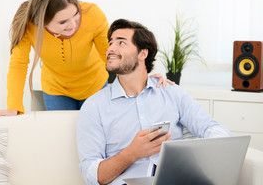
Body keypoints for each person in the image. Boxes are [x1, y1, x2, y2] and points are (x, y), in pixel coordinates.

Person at [0, 0, 171, 116]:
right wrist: (13, 107)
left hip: (94, 86)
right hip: (56, 89)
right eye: (62, 22)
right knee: (63, 142)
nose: (73, 24)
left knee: (95, 139)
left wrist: (143, 77)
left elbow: (111, 54)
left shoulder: (93, 14)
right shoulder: (28, 26)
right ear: (42, 21)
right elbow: (18, 65)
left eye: (75, 14)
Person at [76, 19, 231, 185]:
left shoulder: (171, 93)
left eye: (121, 42)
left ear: (143, 53)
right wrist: (131, 153)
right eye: (110, 42)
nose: (111, 49)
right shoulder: (94, 107)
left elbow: (213, 128)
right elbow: (93, 176)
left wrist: (202, 154)